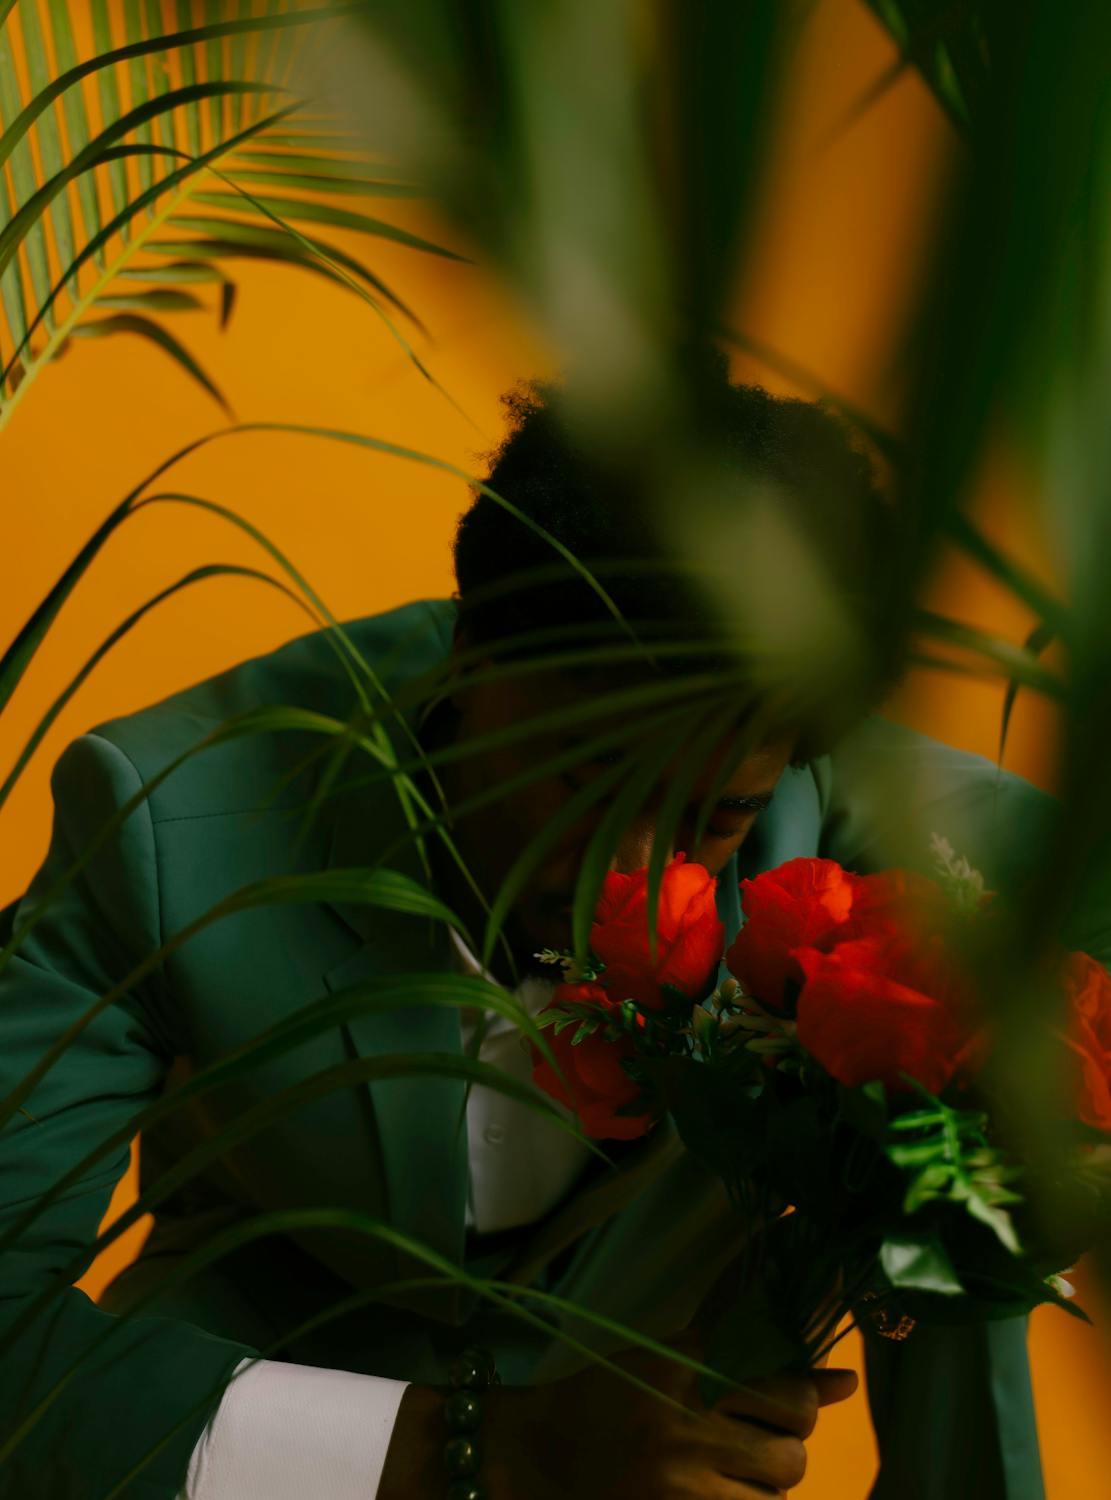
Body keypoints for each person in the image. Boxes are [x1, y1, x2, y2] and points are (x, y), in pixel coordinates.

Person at [0, 364, 1060, 1500]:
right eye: (585, 785)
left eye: (714, 820)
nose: (630, 879)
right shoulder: (164, 820)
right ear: (471, 658)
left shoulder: (870, 825)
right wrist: (483, 1448)